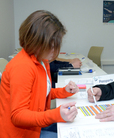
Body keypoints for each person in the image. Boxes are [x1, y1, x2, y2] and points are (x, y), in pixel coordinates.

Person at [0, 10, 79, 138]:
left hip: (35, 125)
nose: (54, 51)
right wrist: (56, 115)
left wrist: (64, 91)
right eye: (51, 46)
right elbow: (18, 115)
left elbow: (41, 92)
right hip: (20, 133)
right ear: (37, 41)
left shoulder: (42, 60)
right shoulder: (22, 66)